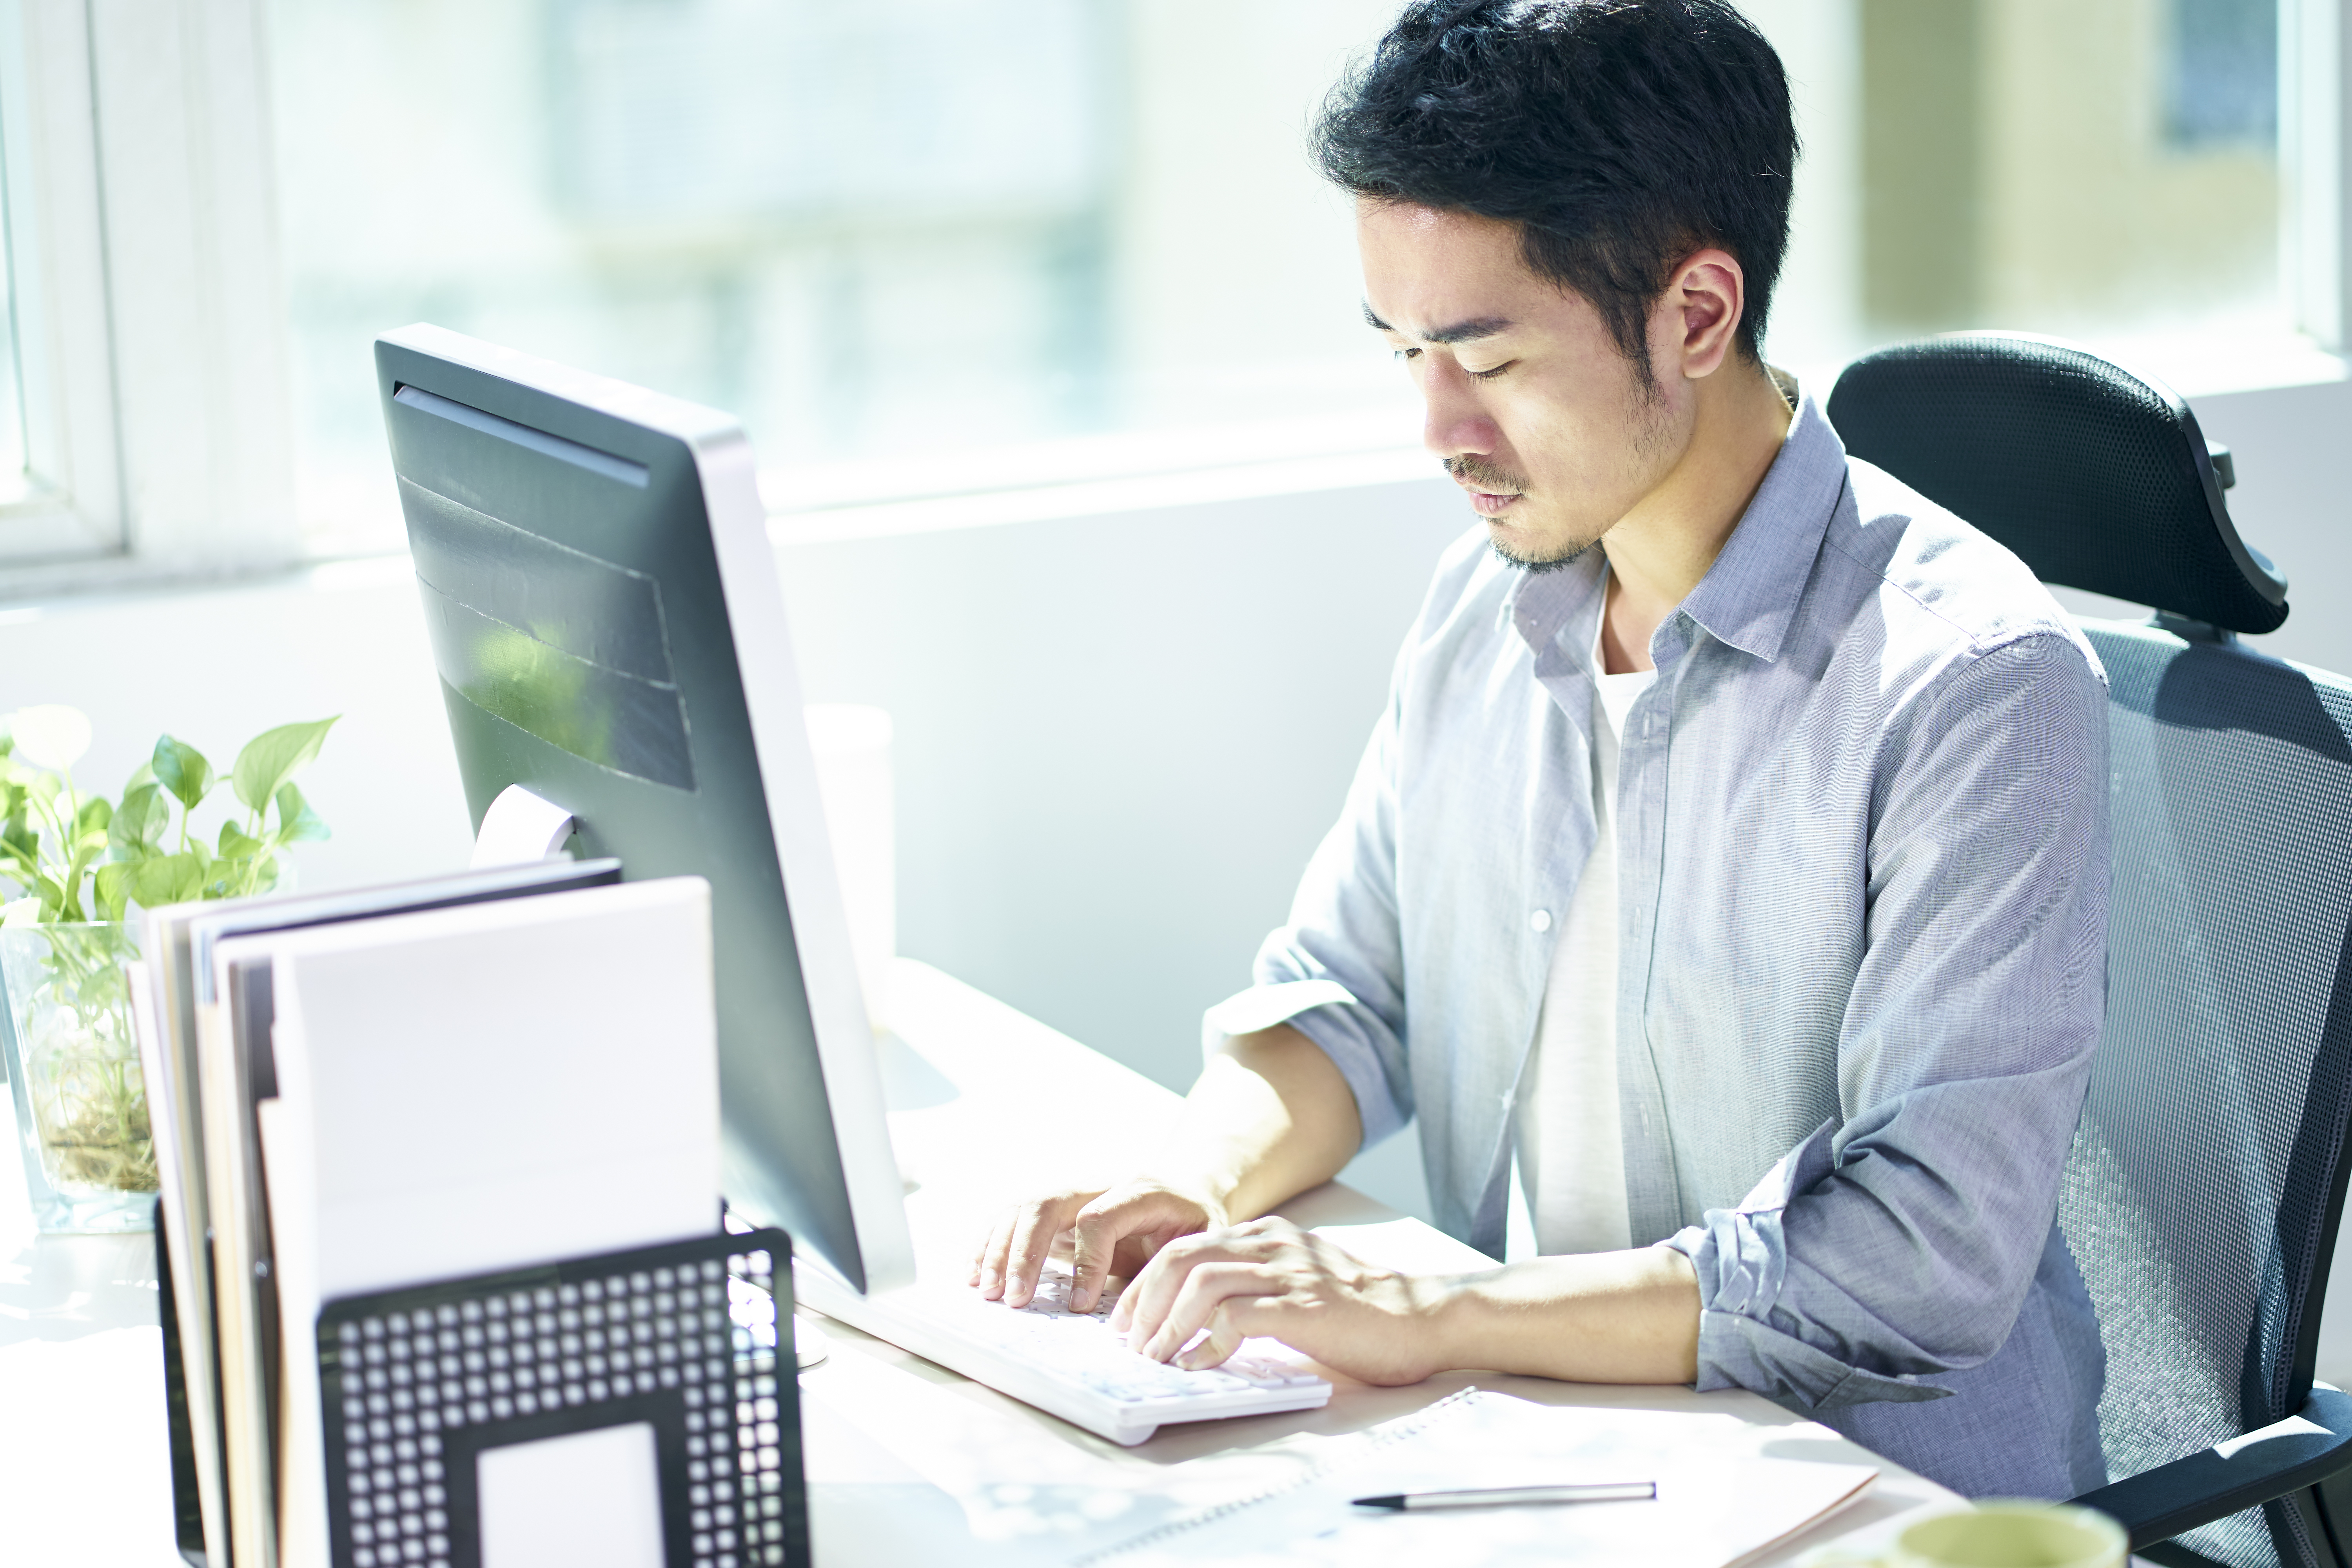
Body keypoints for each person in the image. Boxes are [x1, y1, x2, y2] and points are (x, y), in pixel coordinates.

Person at [971, 0, 2109, 1500]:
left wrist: (1428, 1316)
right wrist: (1193, 1181)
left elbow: (1921, 1260)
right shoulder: (1486, 604)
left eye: (1485, 359)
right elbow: (1350, 998)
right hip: (1552, 1456)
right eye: (1403, 354)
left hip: (1857, 1499)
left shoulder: (1975, 684)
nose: (1438, 429)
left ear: (1698, 316)